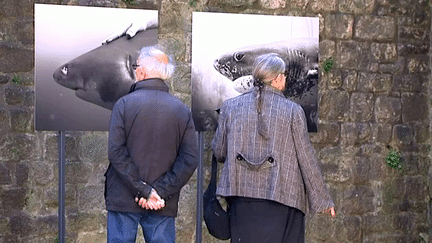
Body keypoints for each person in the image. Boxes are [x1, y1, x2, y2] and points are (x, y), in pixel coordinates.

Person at [211, 53, 335, 243]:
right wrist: (322, 200)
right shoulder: (293, 111)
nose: (285, 78)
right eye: (284, 74)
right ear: (277, 78)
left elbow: (219, 152)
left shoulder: (230, 107)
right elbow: (306, 158)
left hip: (241, 198)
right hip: (283, 198)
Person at [105, 46, 198, 242]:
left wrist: (144, 190)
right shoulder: (182, 110)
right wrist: (158, 192)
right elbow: (189, 159)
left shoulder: (124, 104)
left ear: (143, 70)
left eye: (136, 65)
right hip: (162, 202)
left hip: (124, 196)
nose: (135, 70)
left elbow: (116, 153)